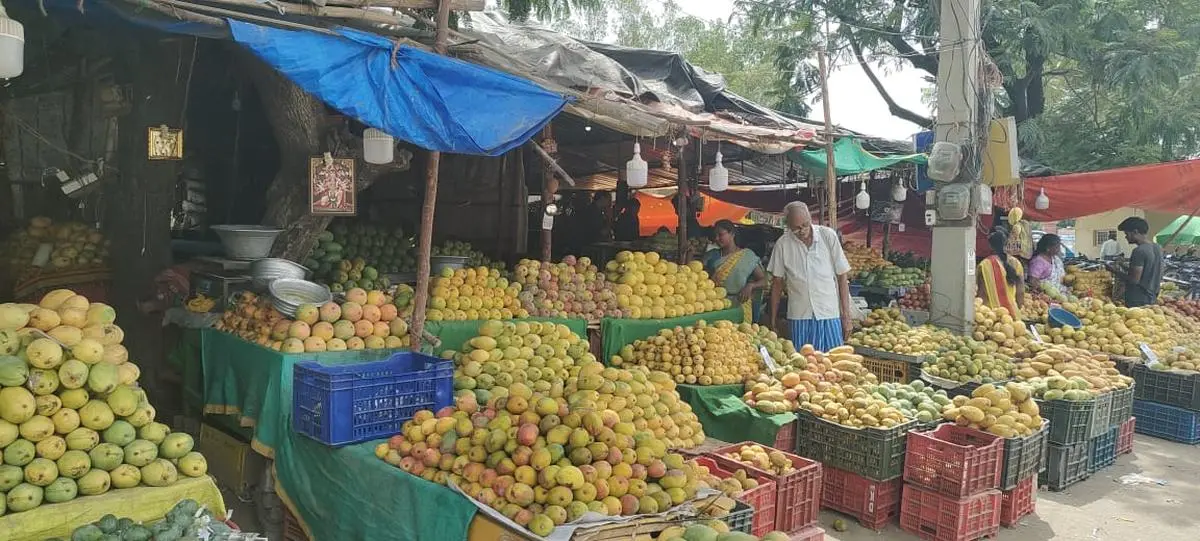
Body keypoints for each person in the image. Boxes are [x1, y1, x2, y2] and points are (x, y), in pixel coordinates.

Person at [767, 202, 853, 351]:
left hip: (828, 313)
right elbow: (777, 283)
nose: (802, 230)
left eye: (805, 225)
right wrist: (773, 320)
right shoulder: (782, 244)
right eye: (796, 228)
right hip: (800, 316)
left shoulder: (828, 236)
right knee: (803, 365)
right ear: (787, 226)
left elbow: (842, 277)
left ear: (810, 218)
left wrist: (846, 315)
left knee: (832, 364)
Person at [704, 220, 768, 323]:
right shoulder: (711, 256)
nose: (716, 238)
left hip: (740, 305)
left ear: (732, 234)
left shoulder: (747, 255)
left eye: (720, 235)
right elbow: (698, 277)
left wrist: (750, 286)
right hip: (717, 305)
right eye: (715, 235)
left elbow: (764, 281)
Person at [1110, 217, 1163, 307]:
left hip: (1138, 299)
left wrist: (1113, 271)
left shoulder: (1139, 251)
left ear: (1135, 232)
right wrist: (1122, 265)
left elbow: (1134, 280)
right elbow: (1146, 271)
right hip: (1152, 297)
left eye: (1126, 233)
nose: (1126, 237)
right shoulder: (1157, 247)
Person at [977, 231, 1025, 319]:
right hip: (1012, 314)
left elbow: (982, 293)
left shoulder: (985, 265)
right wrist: (1019, 309)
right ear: (1006, 244)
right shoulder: (1016, 263)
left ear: (989, 246)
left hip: (991, 315)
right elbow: (1020, 292)